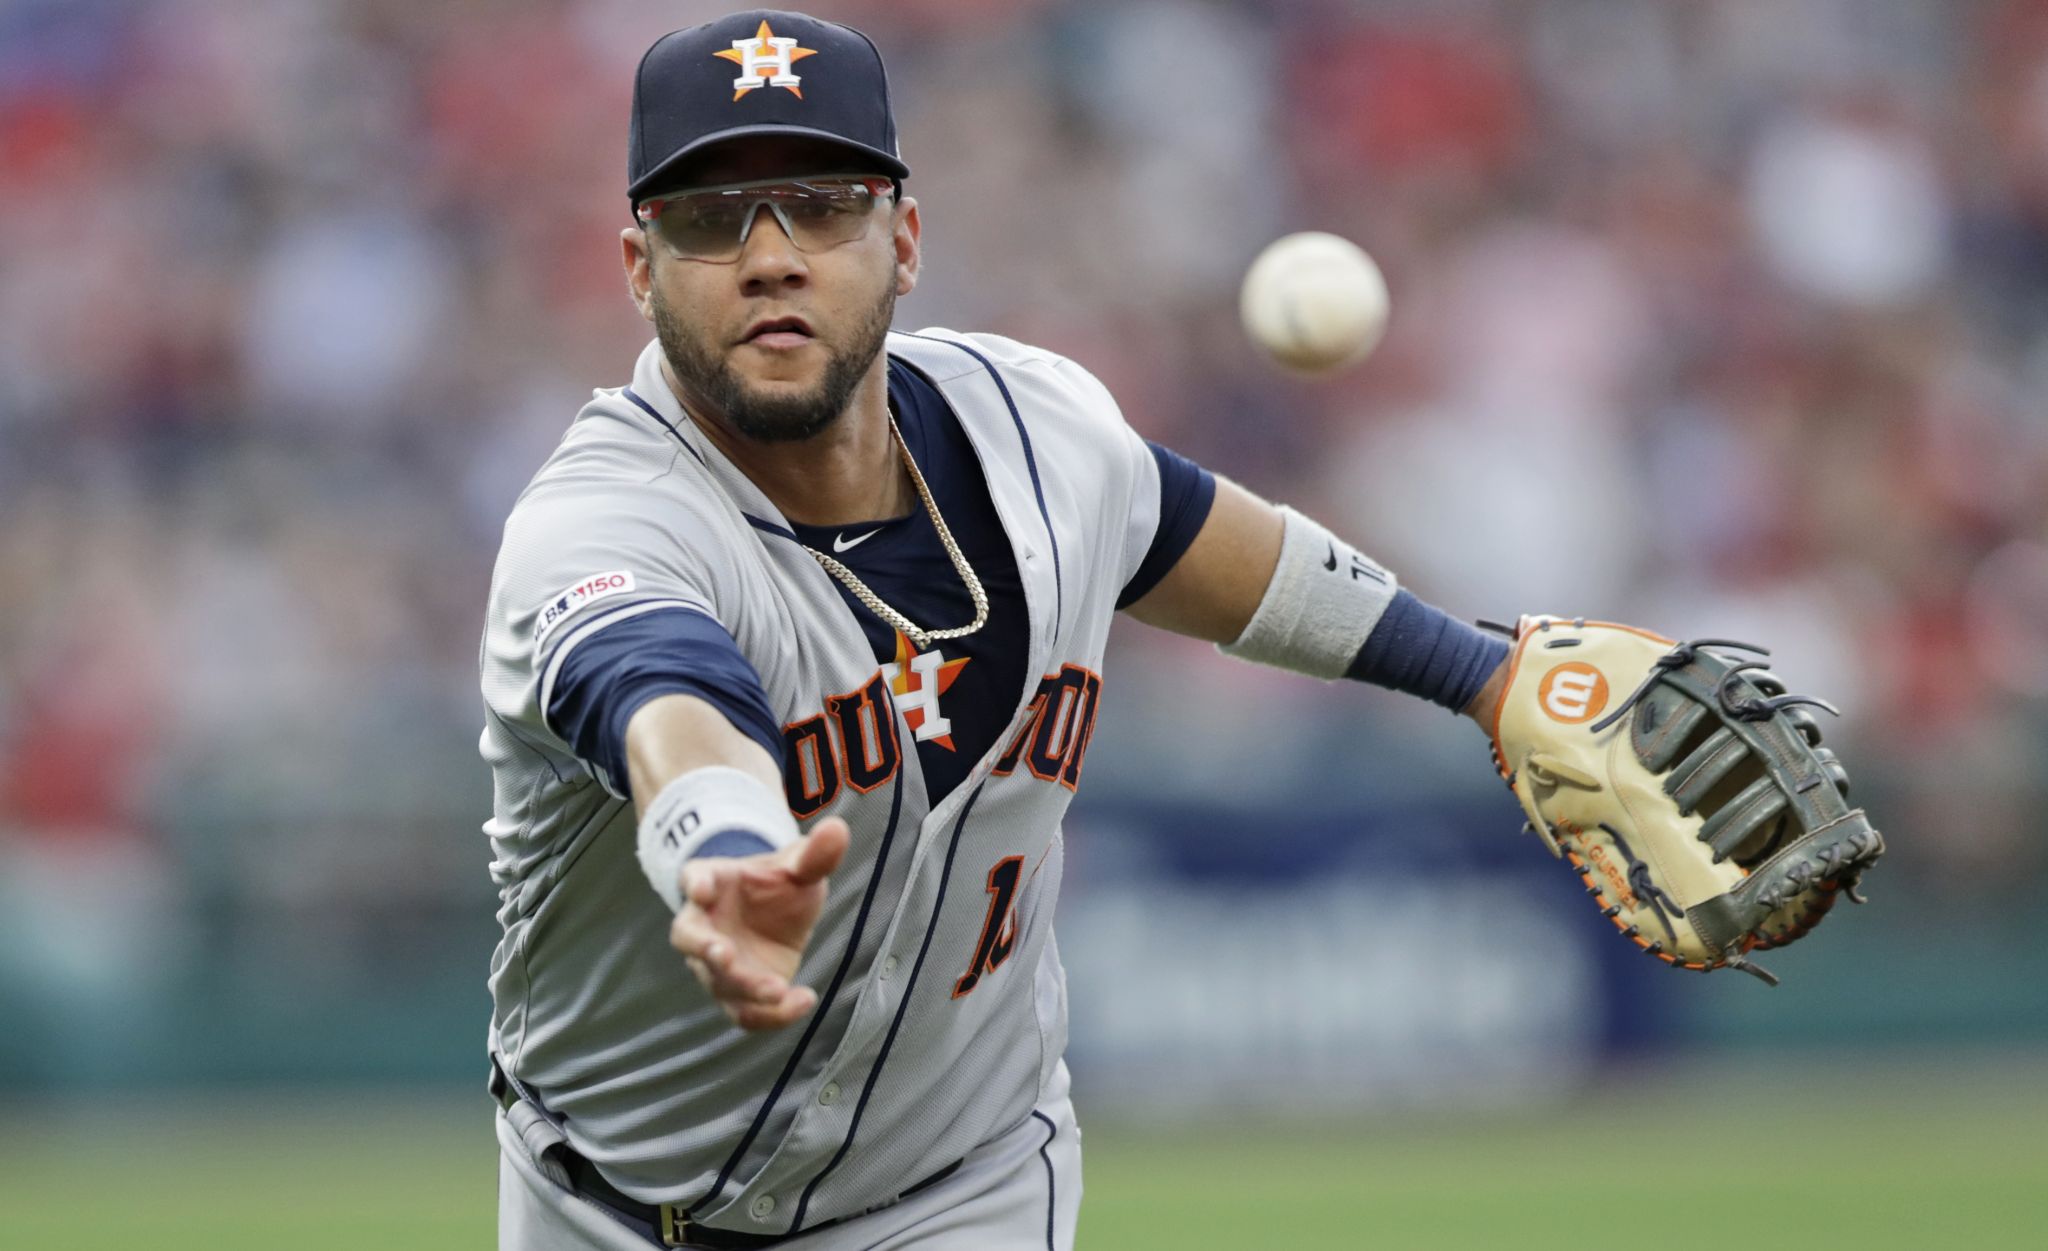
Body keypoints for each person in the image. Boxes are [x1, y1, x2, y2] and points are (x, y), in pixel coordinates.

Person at [479, 11, 1509, 1249]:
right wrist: (722, 842)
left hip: (963, 1194)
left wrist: (1489, 680)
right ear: (639, 269)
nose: (769, 257)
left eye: (820, 203)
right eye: (708, 218)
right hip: (614, 1213)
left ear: (902, 241)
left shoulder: (1040, 430)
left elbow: (1206, 546)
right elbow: (660, 691)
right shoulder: (599, 521)